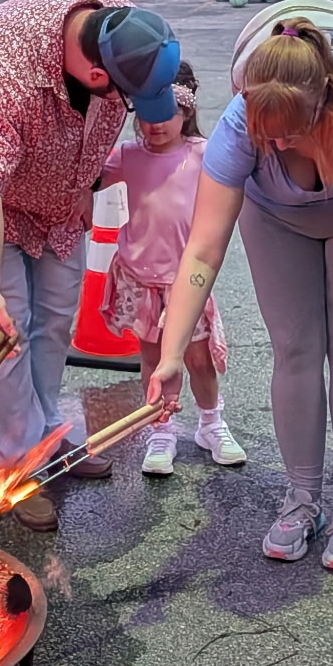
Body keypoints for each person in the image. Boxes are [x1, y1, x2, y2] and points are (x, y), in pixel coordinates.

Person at [151, 6, 333, 568]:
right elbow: (203, 249)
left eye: (290, 135)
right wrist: (172, 352)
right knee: (294, 351)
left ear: (327, 101)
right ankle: (302, 497)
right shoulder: (238, 128)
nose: (275, 146)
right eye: (265, 136)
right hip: (276, 219)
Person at [0, 0, 181, 531]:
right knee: (6, 332)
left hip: (56, 188)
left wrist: (85, 183)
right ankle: (13, 469)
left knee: (56, 319)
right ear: (96, 77)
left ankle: (46, 439)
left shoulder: (115, 23)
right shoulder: (9, 67)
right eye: (130, 101)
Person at [99, 64, 245, 476]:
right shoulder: (127, 156)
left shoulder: (204, 153)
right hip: (139, 277)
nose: (155, 124)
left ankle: (211, 423)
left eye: (167, 113)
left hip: (187, 281)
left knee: (198, 359)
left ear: (187, 113)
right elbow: (86, 177)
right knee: (152, 357)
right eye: (145, 114)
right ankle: (161, 428)